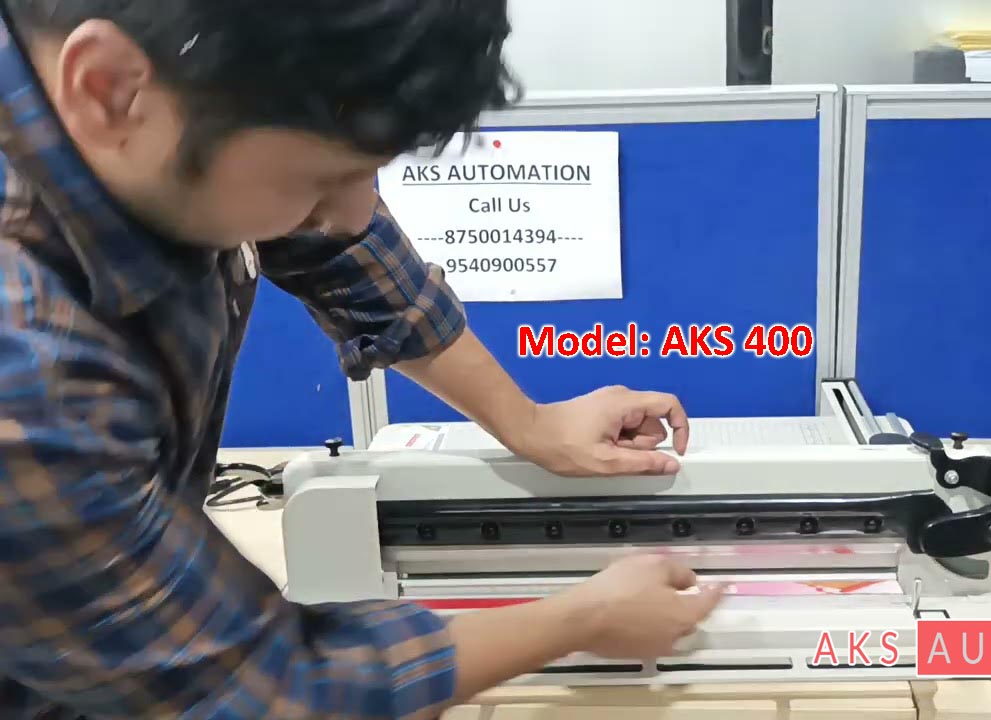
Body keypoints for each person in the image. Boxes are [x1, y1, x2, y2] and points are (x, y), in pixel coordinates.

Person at [0, 2, 724, 718]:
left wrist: (531, 424)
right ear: (107, 88)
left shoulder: (171, 103)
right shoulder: (28, 370)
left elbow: (346, 256)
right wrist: (583, 620)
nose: (351, 214)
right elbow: (270, 694)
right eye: (318, 180)